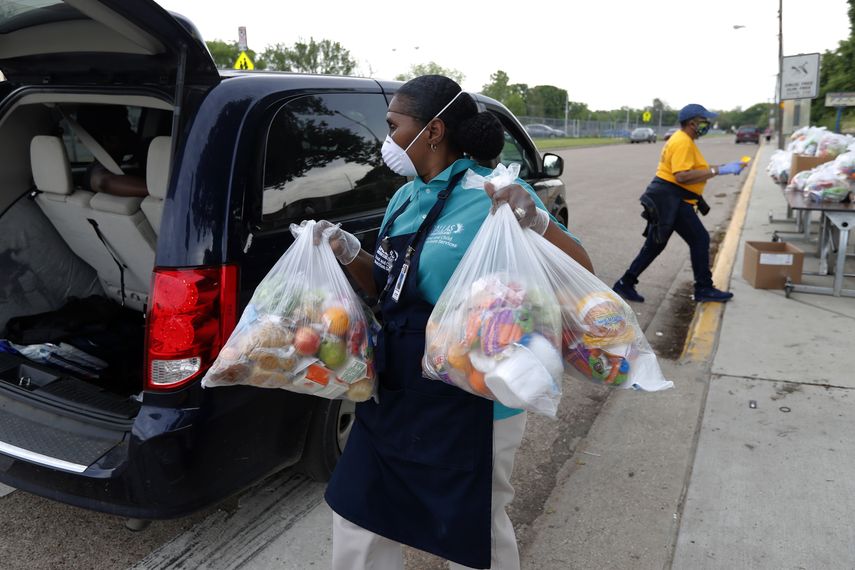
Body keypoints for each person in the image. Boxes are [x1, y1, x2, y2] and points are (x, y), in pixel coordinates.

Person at [315, 75, 593, 570]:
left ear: (434, 130)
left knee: (471, 526)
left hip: (471, 392)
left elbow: (581, 273)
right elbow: (388, 287)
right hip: (397, 383)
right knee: (358, 511)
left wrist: (540, 221)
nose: (388, 139)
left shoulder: (493, 194)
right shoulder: (404, 198)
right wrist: (349, 252)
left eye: (394, 125)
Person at [613, 103, 746, 304]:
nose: (707, 125)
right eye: (704, 121)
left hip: (669, 198)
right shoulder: (682, 142)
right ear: (692, 123)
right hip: (671, 199)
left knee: (656, 244)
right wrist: (718, 171)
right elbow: (682, 176)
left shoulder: (685, 140)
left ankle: (625, 283)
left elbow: (693, 170)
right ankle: (703, 288)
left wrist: (722, 168)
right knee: (699, 239)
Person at [75, 105, 148, 198]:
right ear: (110, 140)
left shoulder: (98, 168)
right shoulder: (98, 171)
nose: (132, 134)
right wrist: (161, 191)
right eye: (126, 129)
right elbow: (102, 182)